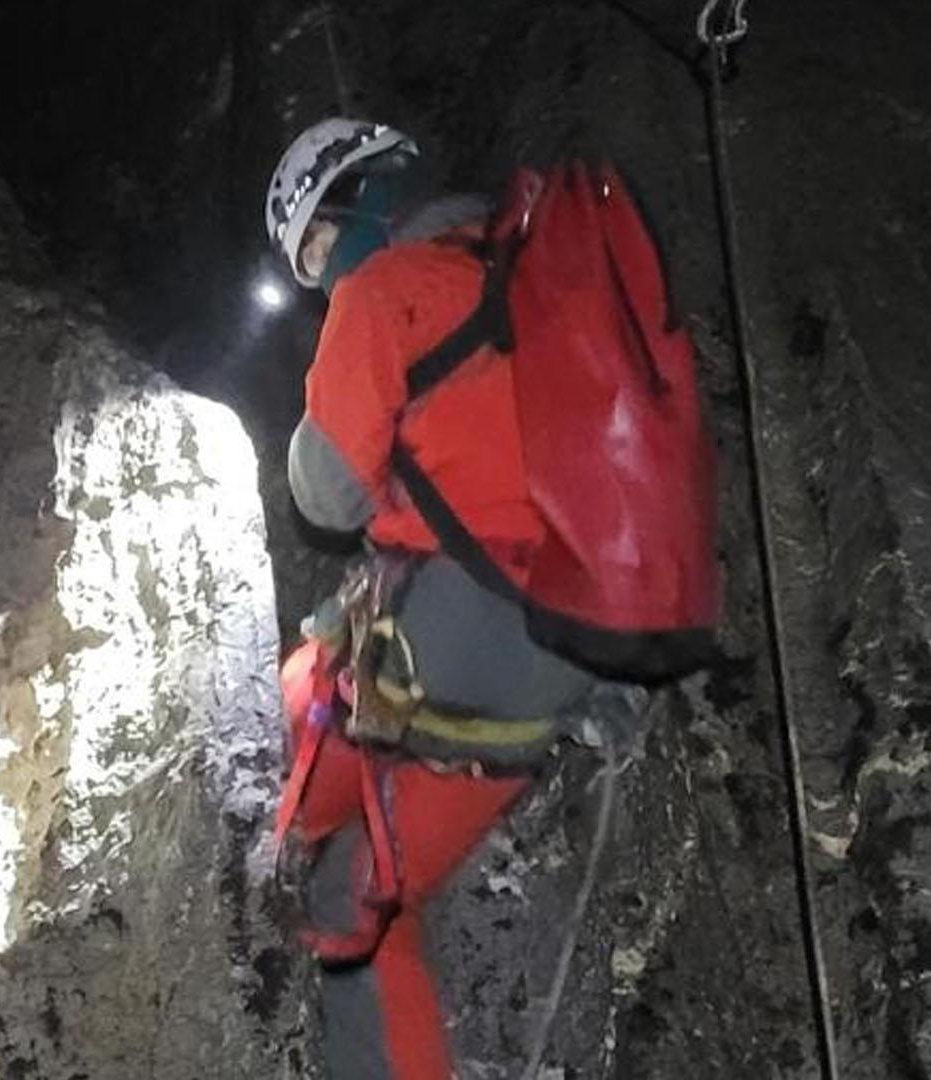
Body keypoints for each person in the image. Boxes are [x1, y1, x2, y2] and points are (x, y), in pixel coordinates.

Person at [263, 118, 613, 1080]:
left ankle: (277, 849)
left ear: (368, 198)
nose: (330, 274)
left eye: (325, 247)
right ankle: (310, 854)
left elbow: (326, 494)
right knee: (368, 894)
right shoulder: (547, 273)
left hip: (465, 633)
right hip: (577, 652)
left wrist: (327, 384)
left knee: (301, 695)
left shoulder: (385, 292)